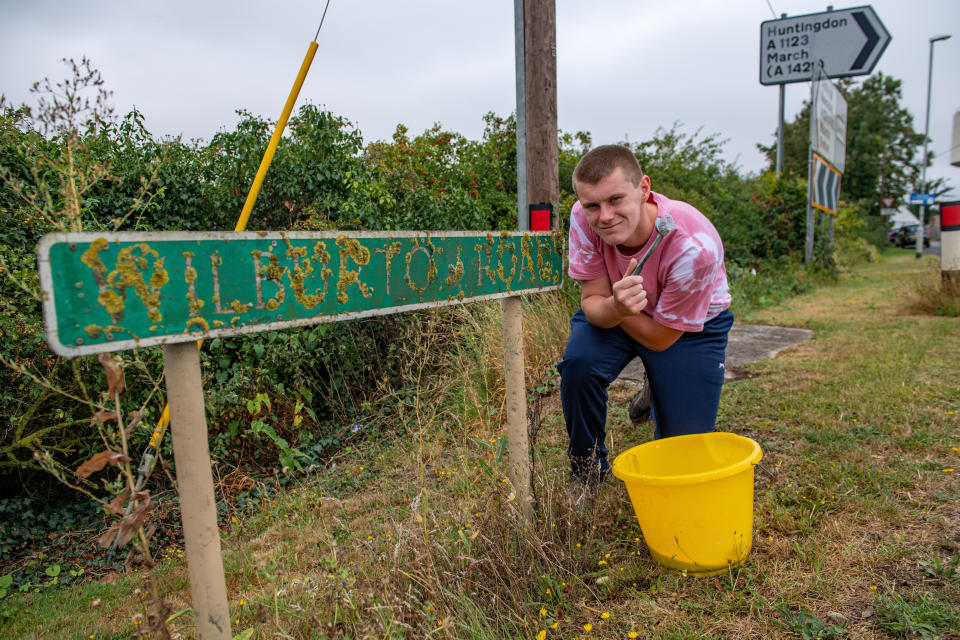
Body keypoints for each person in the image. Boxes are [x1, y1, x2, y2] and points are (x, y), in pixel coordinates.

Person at [558, 145, 733, 500]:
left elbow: (660, 340)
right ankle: (588, 473)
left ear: (644, 189)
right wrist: (616, 308)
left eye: (616, 200)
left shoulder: (694, 247)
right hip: (618, 306)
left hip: (684, 329)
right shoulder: (581, 217)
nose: (604, 216)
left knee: (683, 460)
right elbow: (593, 302)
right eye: (593, 204)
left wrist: (615, 309)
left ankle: (663, 384)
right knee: (579, 364)